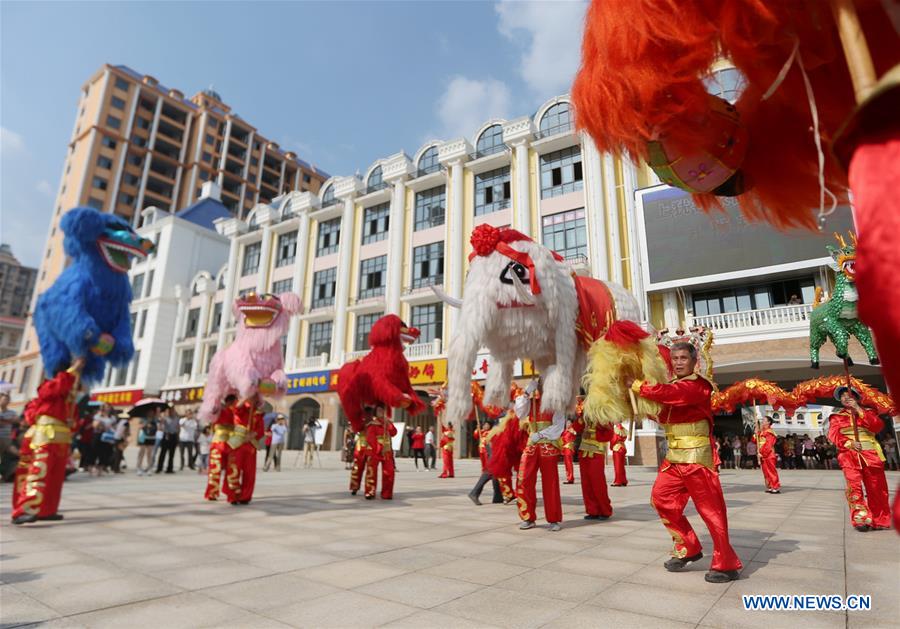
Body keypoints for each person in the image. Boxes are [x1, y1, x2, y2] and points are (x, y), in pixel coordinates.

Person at [628, 341, 742, 583]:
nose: (678, 362)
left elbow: (674, 396)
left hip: (697, 458)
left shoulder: (698, 386)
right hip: (674, 458)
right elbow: (663, 411)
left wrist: (640, 387)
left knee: (711, 511)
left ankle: (726, 563)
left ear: (693, 361)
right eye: (675, 359)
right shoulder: (673, 387)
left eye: (683, 358)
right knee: (661, 499)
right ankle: (689, 547)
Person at [12, 358, 83, 525]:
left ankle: (47, 510)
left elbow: (74, 420)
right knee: (39, 472)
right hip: (45, 437)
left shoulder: (70, 400)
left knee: (56, 477)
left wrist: (73, 424)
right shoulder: (49, 387)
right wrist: (73, 370)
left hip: (61, 439)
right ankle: (23, 510)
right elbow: (46, 396)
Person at [826, 387, 890, 531]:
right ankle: (861, 519)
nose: (844, 398)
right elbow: (833, 435)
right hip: (849, 455)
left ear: (855, 397)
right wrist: (849, 443)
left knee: (877, 488)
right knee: (854, 487)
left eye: (847, 395)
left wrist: (858, 410)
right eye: (841, 396)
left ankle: (880, 520)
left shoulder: (869, 413)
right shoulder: (836, 417)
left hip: (870, 454)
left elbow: (877, 427)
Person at [572, 411, 614, 521]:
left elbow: (609, 435)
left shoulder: (604, 415)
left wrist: (594, 431)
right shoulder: (585, 414)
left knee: (598, 482)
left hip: (596, 451)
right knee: (586, 483)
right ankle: (592, 510)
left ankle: (605, 510)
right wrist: (581, 417)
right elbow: (576, 427)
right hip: (583, 451)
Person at [227, 395, 265, 505]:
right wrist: (247, 395)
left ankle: (245, 496)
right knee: (234, 470)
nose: (254, 399)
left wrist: (254, 434)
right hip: (237, 443)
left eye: (256, 397)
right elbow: (237, 408)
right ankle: (233, 495)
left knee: (249, 473)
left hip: (250, 446)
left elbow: (261, 430)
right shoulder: (241, 407)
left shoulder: (258, 414)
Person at [205, 394, 237, 501]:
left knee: (232, 470)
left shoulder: (236, 412)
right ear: (229, 402)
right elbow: (212, 411)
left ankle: (230, 492)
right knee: (215, 469)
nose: (236, 404)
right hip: (218, 443)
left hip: (231, 443)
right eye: (234, 402)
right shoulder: (220, 409)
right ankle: (212, 492)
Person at [364, 405, 397, 500]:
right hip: (374, 451)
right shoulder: (372, 424)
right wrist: (378, 448)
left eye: (382, 409)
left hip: (387, 451)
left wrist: (389, 424)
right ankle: (370, 492)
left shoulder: (387, 422)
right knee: (371, 472)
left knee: (389, 472)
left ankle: (387, 493)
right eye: (379, 410)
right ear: (375, 412)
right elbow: (370, 438)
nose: (381, 411)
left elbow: (394, 433)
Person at [752, 417, 781, 493]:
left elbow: (768, 445)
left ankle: (775, 486)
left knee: (771, 471)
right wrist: (755, 432)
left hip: (769, 454)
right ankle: (770, 486)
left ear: (769, 422)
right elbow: (755, 441)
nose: (762, 422)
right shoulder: (762, 431)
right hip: (763, 454)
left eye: (764, 420)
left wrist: (762, 453)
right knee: (766, 472)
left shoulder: (769, 432)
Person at [0, 392, 19, 481]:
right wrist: (7, 421)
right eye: (4, 399)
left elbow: (16, 420)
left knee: (17, 453)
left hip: (6, 438)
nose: (6, 401)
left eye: (7, 400)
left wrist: (4, 421)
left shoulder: (12, 412)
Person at [349, 420, 370, 495]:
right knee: (357, 467)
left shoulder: (375, 418)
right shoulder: (359, 417)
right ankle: (354, 487)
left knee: (370, 469)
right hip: (360, 445)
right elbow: (353, 429)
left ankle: (369, 491)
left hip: (371, 445)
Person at [156, 407, 179, 474]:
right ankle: (159, 468)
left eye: (173, 410)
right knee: (163, 453)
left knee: (172, 454)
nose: (172, 412)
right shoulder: (165, 418)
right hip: (166, 436)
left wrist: (177, 437)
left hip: (173, 436)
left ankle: (170, 468)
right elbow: (160, 422)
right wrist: (159, 413)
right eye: (170, 411)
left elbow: (178, 427)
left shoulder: (177, 418)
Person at [136, 409, 158, 476]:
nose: (150, 413)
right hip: (143, 437)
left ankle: (149, 468)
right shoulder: (143, 418)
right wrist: (146, 424)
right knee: (141, 452)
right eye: (149, 412)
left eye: (152, 412)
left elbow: (157, 427)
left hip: (151, 437)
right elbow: (139, 427)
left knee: (149, 453)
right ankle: (139, 468)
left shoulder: (155, 419)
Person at [561, 419, 576, 484]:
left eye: (569, 423)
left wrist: (572, 431)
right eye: (567, 423)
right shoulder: (565, 431)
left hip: (569, 449)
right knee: (567, 464)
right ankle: (569, 478)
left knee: (569, 464)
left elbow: (575, 433)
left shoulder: (571, 430)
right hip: (565, 449)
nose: (568, 424)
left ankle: (570, 478)